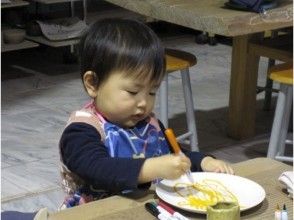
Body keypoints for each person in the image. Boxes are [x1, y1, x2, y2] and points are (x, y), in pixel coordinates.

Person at [59, 18, 234, 208]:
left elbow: (176, 156)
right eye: (133, 92)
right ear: (93, 83)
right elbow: (97, 168)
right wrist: (150, 168)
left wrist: (204, 162)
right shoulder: (82, 130)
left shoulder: (148, 124)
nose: (144, 103)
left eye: (152, 92)